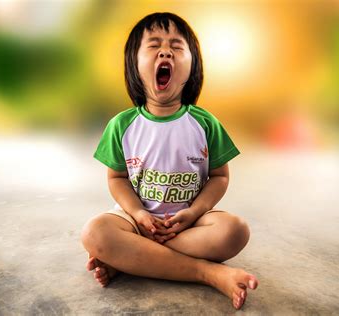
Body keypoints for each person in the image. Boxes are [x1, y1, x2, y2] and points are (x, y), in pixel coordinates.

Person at [81, 12, 259, 310]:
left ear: (192, 67)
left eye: (177, 47)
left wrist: (194, 212)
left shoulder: (205, 124)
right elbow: (117, 179)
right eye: (153, 45)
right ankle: (208, 273)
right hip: (136, 224)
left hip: (190, 226)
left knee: (236, 230)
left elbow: (219, 176)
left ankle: (132, 260)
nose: (165, 51)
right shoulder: (122, 125)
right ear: (134, 65)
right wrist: (138, 214)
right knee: (94, 233)